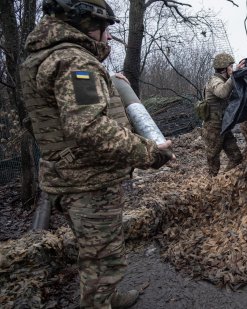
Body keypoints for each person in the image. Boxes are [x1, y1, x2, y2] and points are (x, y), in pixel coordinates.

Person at [20, 0, 174, 307]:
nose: (107, 37)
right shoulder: (75, 62)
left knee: (96, 253)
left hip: (71, 174)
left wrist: (114, 88)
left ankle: (108, 297)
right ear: (86, 23)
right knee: (104, 259)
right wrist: (149, 153)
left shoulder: (44, 58)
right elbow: (88, 128)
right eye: (104, 29)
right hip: (88, 181)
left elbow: (65, 115)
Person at [202, 53, 245, 176]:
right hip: (213, 128)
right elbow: (222, 93)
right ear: (225, 68)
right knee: (213, 163)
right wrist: (234, 75)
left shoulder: (224, 80)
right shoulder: (215, 81)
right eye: (231, 66)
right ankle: (211, 188)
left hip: (224, 126)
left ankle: (223, 182)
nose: (232, 68)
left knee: (236, 157)